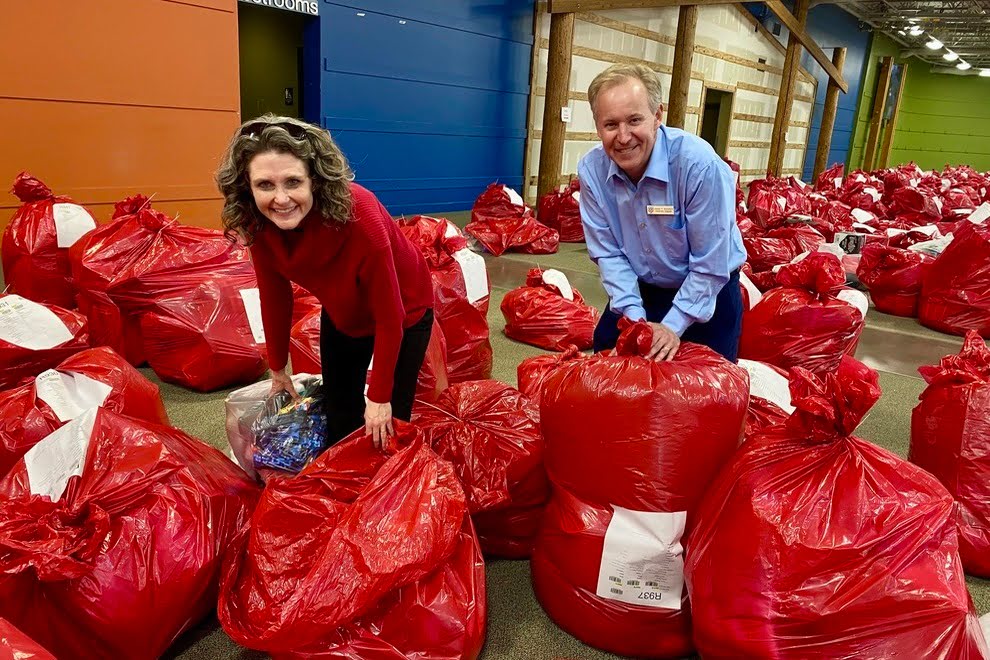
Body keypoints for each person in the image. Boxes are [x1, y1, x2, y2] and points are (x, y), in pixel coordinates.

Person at [216, 115, 434, 449]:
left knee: (389, 419)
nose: (281, 199)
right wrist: (277, 370)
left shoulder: (360, 214)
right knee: (341, 414)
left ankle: (389, 490)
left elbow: (391, 315)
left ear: (314, 181)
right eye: (265, 185)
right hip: (343, 309)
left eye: (293, 182)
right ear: (247, 187)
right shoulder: (257, 222)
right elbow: (275, 295)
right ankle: (346, 488)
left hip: (404, 310)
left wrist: (378, 398)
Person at [578, 64, 747, 362]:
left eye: (634, 120)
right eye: (610, 124)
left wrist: (672, 326)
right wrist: (633, 317)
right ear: (597, 125)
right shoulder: (592, 170)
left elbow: (710, 264)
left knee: (707, 393)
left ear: (657, 116)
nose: (624, 136)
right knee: (606, 362)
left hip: (709, 289)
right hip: (643, 287)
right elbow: (608, 253)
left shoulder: (698, 166)